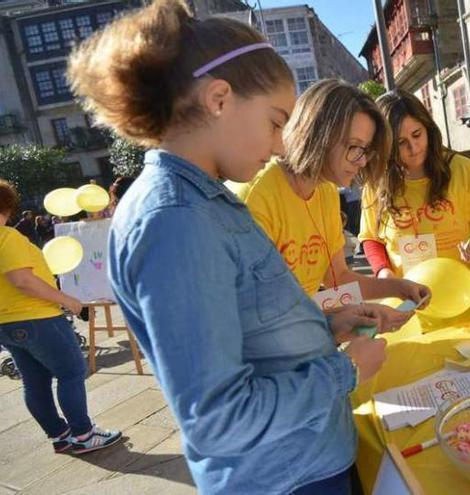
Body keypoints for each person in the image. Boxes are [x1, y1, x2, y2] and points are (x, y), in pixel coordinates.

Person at [68, 0, 388, 492]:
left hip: (303, 460)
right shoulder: (175, 222)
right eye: (276, 122)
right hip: (285, 477)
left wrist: (325, 327)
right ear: (219, 98)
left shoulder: (201, 200)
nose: (281, 145)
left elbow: (243, 329)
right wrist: (342, 372)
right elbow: (219, 419)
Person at [231, 79, 428, 314]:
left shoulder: (326, 190)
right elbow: (254, 309)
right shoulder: (257, 196)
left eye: (365, 149)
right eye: (354, 146)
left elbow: (338, 279)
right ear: (319, 135)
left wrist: (399, 288)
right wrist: (335, 324)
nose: (362, 160)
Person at [359, 90, 470, 324]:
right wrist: (383, 273)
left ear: (428, 127)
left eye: (417, 134)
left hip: (467, 308)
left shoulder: (461, 169)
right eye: (400, 143)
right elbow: (371, 238)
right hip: (409, 314)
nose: (414, 147)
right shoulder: (376, 182)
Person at [0, 179, 121, 455]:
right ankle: (83, 433)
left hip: (7, 322)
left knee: (34, 381)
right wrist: (68, 301)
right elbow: (23, 280)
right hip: (37, 317)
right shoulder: (7, 237)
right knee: (71, 372)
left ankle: (60, 434)